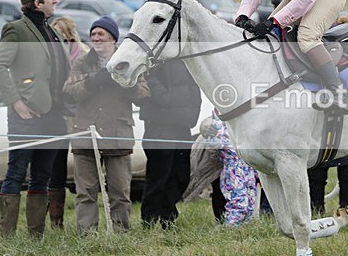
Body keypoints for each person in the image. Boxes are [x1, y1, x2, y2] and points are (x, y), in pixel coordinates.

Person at [0, 0, 70, 237]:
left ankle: (36, 235)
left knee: (42, 176)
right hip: (27, 116)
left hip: (54, 115)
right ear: (37, 3)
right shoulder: (16, 29)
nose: (55, 1)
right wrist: (16, 102)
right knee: (16, 173)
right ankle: (7, 237)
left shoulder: (51, 30)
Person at [63, 16, 149, 235]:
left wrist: (124, 81)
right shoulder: (82, 62)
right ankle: (87, 234)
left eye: (101, 34)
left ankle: (121, 232)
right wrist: (92, 82)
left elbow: (143, 94)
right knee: (86, 192)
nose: (96, 38)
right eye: (93, 34)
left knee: (120, 191)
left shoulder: (127, 61)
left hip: (118, 134)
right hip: (86, 134)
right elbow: (69, 91)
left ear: (113, 38)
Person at [139, 60, 202, 229]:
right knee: (158, 175)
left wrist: (192, 114)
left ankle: (168, 217)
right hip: (159, 124)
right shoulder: (155, 52)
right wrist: (168, 100)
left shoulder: (186, 57)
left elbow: (195, 88)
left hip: (182, 124)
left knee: (181, 175)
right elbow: (148, 78)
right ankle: (150, 221)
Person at [47, 16, 89, 228]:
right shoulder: (51, 56)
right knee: (56, 167)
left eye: (60, 36)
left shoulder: (83, 55)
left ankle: (87, 218)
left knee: (84, 166)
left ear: (69, 35)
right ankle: (57, 221)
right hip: (59, 117)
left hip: (79, 116)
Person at [199, 113, 259, 227]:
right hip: (233, 171)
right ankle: (228, 229)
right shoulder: (218, 125)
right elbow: (213, 147)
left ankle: (243, 230)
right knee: (239, 203)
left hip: (249, 170)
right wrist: (209, 132)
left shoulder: (247, 122)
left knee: (250, 204)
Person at [307, 150, 348, 216]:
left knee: (347, 175)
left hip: (346, 144)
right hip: (322, 145)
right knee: (317, 175)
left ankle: (347, 212)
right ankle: (316, 211)